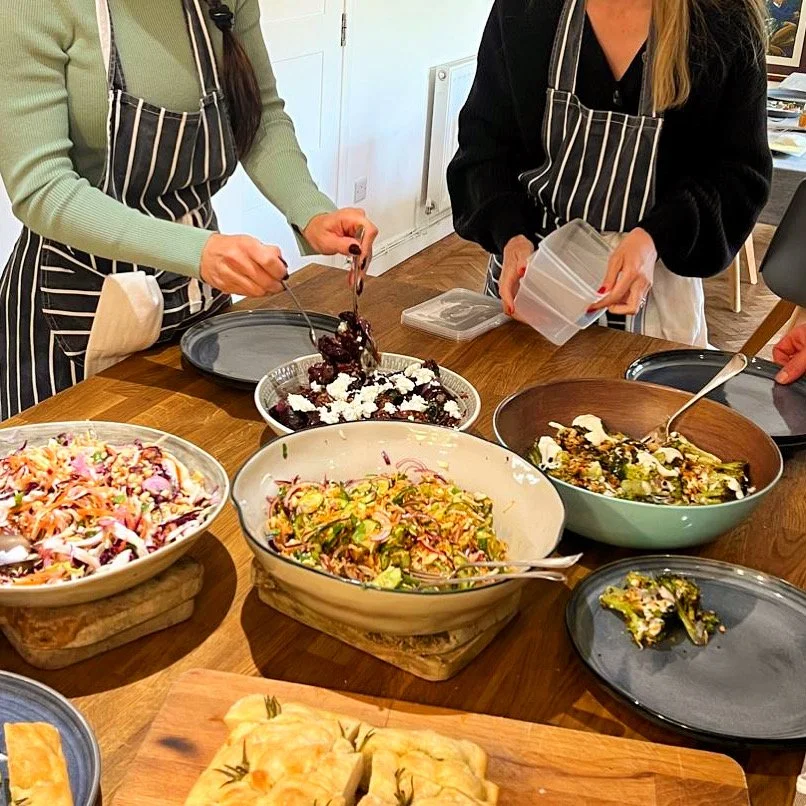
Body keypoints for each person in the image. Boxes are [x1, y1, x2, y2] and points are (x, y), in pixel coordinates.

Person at [0, 0, 378, 421]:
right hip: (80, 311)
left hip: (198, 299)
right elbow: (41, 187)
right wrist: (197, 252)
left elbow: (261, 116)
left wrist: (310, 211)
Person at [447, 0, 771, 347]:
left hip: (652, 300)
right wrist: (510, 236)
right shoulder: (527, 10)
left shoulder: (721, 21)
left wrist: (653, 238)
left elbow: (739, 176)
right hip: (533, 288)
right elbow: (484, 149)